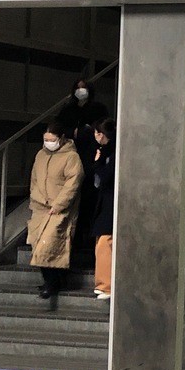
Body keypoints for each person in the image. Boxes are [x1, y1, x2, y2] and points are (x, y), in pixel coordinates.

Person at [28, 121, 84, 304]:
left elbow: (73, 183)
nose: (48, 142)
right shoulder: (40, 155)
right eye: (46, 139)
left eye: (52, 139)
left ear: (61, 138)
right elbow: (34, 179)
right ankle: (52, 281)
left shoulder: (71, 157)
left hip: (59, 209)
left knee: (50, 244)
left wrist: (60, 204)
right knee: (38, 244)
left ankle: (52, 284)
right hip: (40, 207)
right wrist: (35, 197)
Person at [56, 78, 109, 251]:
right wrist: (74, 132)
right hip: (71, 153)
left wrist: (88, 131)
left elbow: (104, 127)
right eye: (78, 88)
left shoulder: (98, 109)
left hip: (90, 153)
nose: (81, 91)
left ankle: (86, 235)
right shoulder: (68, 110)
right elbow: (59, 128)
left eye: (84, 88)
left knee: (88, 193)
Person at [91, 118, 117, 301]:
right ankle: (104, 284)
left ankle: (105, 285)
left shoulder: (112, 152)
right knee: (103, 242)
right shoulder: (107, 151)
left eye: (97, 132)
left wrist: (97, 163)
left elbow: (105, 176)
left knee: (104, 243)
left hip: (111, 203)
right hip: (106, 202)